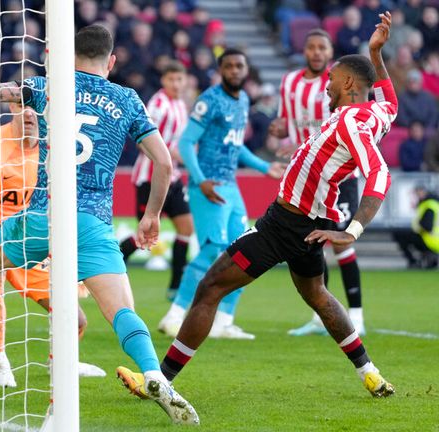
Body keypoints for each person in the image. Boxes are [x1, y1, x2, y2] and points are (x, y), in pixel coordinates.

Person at [0, 25, 199, 425]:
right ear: (112, 61)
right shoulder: (128, 99)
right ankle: (154, 375)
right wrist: (151, 216)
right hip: (94, 223)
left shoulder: (46, 86)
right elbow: (165, 163)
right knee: (119, 309)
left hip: (42, 215)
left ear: (68, 57)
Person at [118, 12, 397, 405]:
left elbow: (379, 175)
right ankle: (370, 374)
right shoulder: (377, 113)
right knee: (317, 294)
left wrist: (352, 230)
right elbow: (390, 98)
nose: (326, 87)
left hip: (285, 224)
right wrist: (375, 53)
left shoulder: (351, 121)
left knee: (210, 286)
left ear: (349, 83)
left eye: (332, 79)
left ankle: (161, 381)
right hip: (310, 222)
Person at [0, 102, 105, 387]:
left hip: (27, 237)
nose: (29, 113)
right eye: (22, 106)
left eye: (35, 107)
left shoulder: (56, 149)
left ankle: (62, 362)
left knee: (75, 317)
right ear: (11, 108)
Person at [156, 48, 285, 340]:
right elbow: (187, 143)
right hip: (208, 187)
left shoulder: (241, 101)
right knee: (214, 250)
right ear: (220, 70)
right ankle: (173, 315)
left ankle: (223, 321)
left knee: (243, 251)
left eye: (240, 66)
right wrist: (200, 180)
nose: (235, 71)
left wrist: (265, 167)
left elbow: (235, 145)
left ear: (246, 70)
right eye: (229, 66)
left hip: (231, 186)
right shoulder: (209, 101)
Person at [268, 29, 367, 336]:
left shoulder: (339, 84)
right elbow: (287, 125)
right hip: (308, 179)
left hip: (340, 177)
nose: (315, 52)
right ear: (304, 50)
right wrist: (280, 131)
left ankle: (357, 316)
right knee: (314, 245)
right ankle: (320, 317)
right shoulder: (289, 83)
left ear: (329, 51)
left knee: (341, 244)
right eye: (310, 46)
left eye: (321, 47)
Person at [120, 61, 194, 302]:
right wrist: (172, 153)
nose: (175, 84)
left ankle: (175, 287)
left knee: (186, 228)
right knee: (143, 236)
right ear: (164, 81)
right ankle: (106, 268)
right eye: (171, 79)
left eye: (179, 80)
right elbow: (144, 139)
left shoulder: (181, 105)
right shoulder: (157, 105)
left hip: (173, 178)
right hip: (149, 178)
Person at [393, 185, 439, 269]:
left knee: (399, 234)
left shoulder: (428, 205)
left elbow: (427, 226)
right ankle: (428, 257)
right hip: (433, 240)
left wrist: (419, 226)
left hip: (430, 240)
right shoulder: (433, 203)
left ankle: (414, 261)